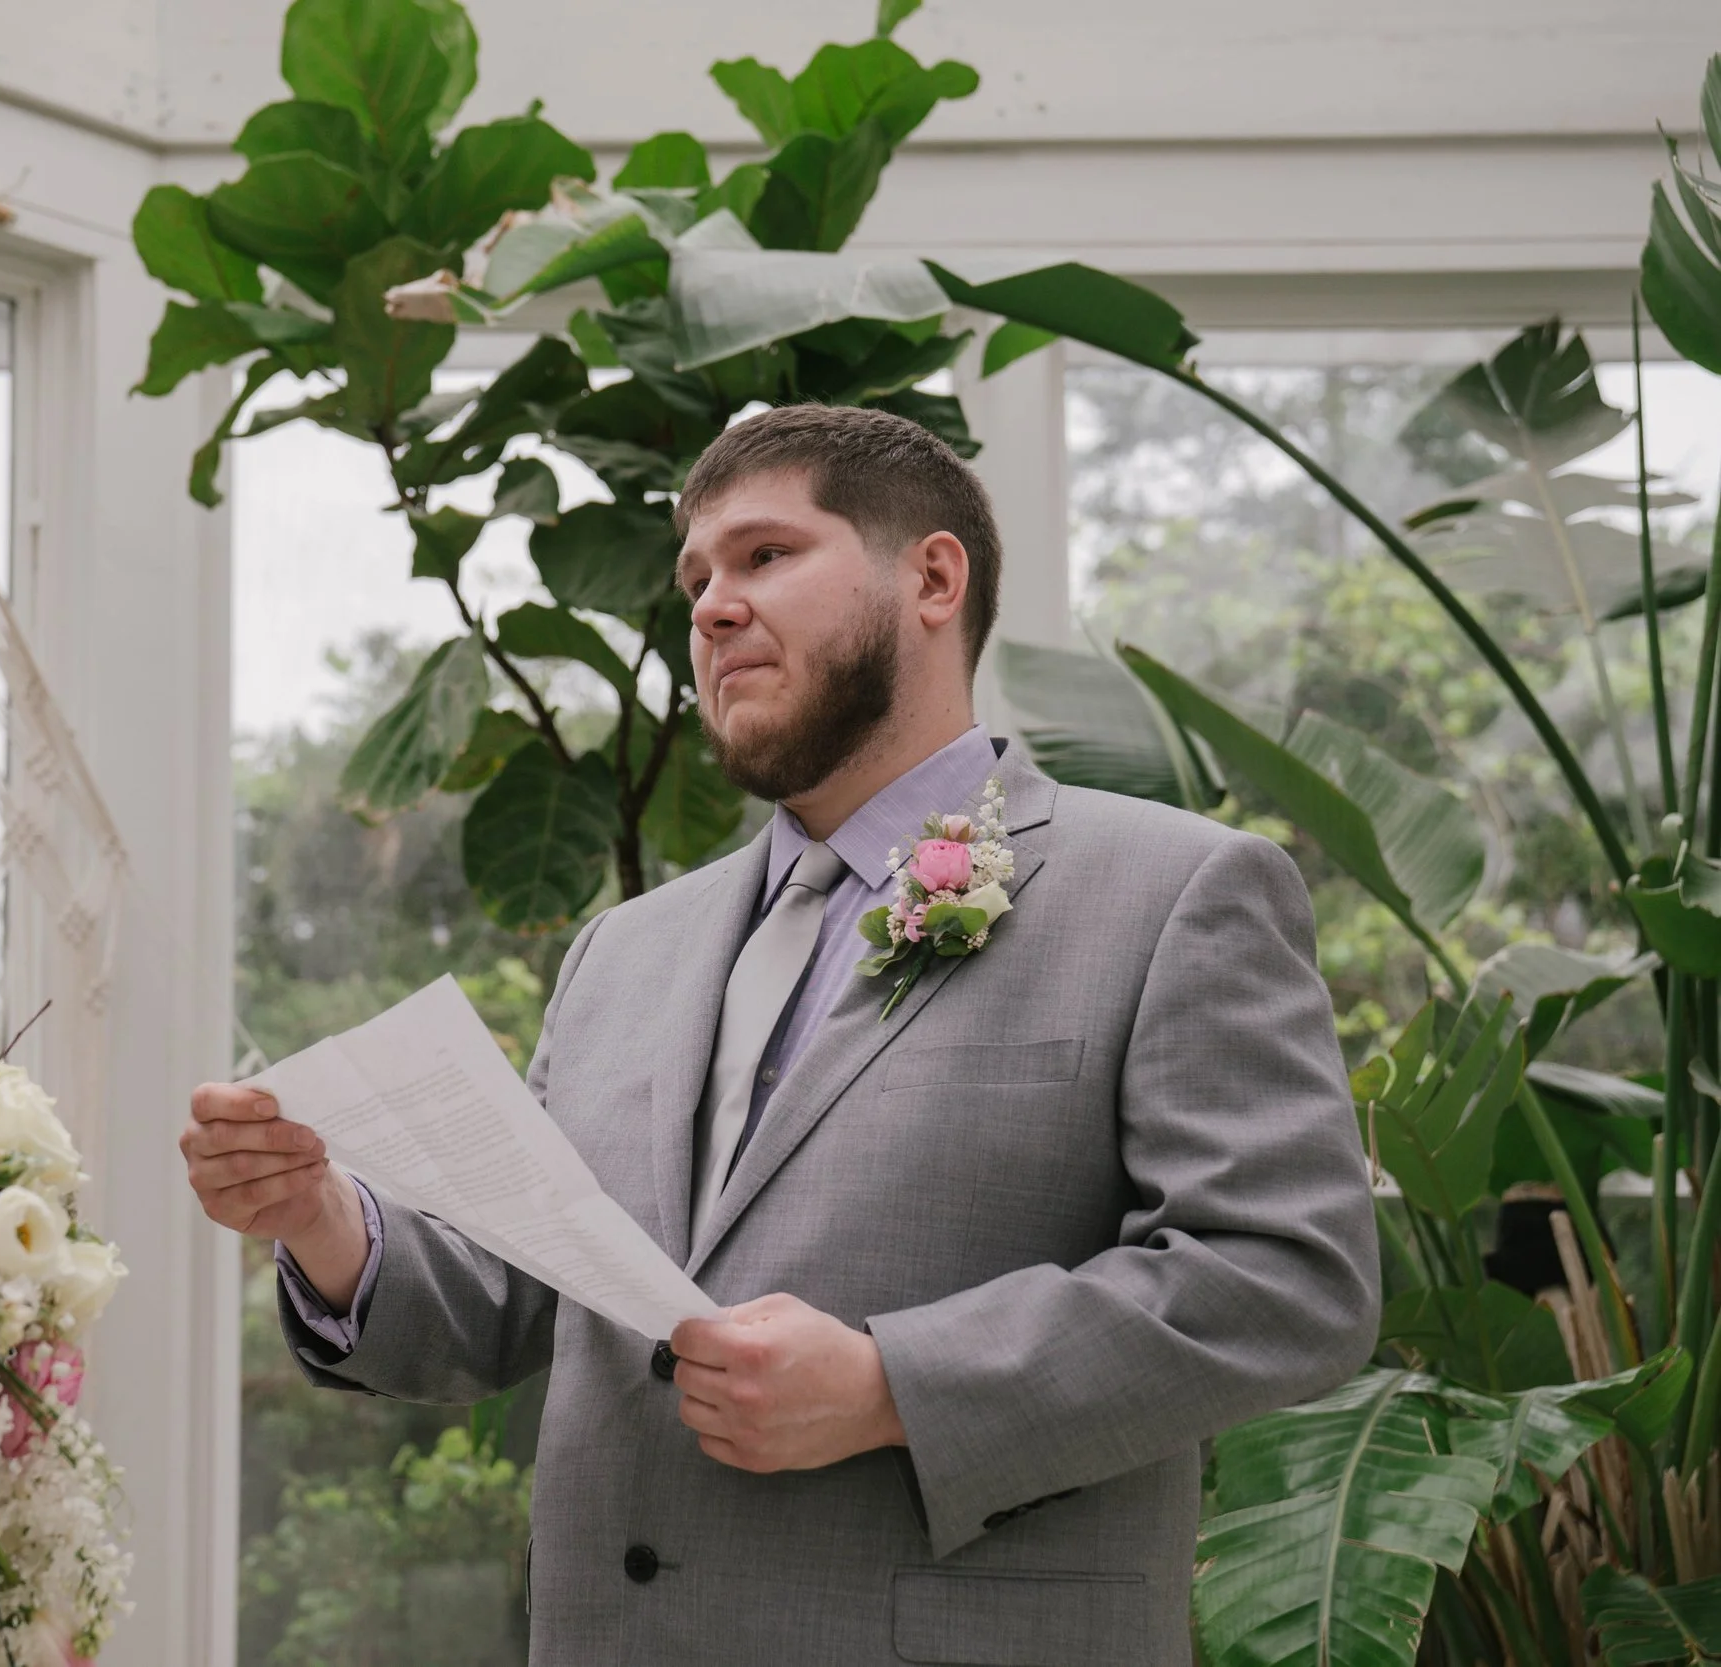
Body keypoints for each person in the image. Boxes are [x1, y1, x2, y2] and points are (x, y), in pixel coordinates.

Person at [184, 403, 1382, 1663]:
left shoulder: (1173, 890)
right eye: (695, 576)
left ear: (930, 574)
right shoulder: (622, 951)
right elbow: (509, 1302)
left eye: (764, 556)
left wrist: (891, 1386)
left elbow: (1288, 1280)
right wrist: (317, 1214)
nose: (707, 606)